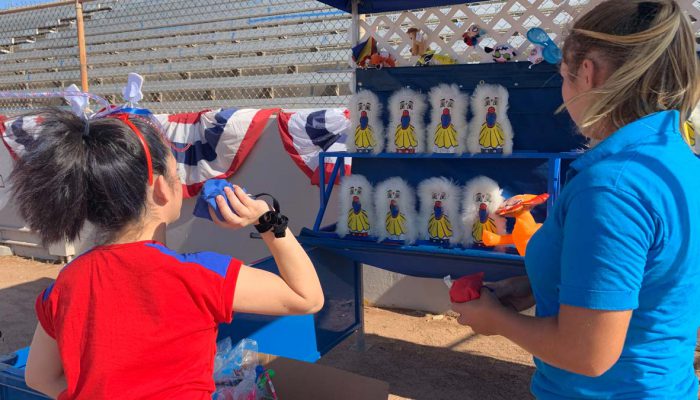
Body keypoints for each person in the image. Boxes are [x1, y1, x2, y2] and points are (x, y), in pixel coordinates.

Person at [451, 0, 700, 398]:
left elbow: (588, 353)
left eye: (564, 76)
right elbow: (642, 278)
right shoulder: (673, 159)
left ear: (588, 73)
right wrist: (532, 287)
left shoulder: (611, 188)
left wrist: (495, 320)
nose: (564, 93)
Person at [14, 108, 324, 399]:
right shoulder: (198, 273)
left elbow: (39, 377)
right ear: (161, 187)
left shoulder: (65, 283)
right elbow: (307, 296)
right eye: (178, 174)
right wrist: (266, 219)